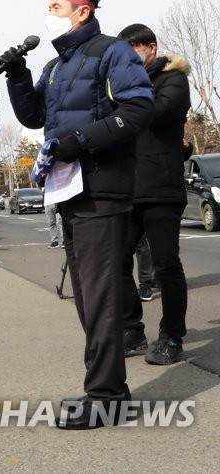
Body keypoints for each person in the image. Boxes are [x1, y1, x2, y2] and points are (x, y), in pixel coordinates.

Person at [0, 0, 153, 429]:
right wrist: (17, 74)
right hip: (68, 191)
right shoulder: (55, 66)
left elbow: (138, 109)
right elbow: (34, 117)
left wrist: (81, 140)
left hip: (102, 188)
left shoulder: (112, 51)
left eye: (56, 6)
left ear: (82, 10)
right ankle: (110, 389)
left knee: (101, 295)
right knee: (87, 296)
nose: (49, 14)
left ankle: (106, 397)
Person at [116, 23, 191, 365]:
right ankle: (133, 331)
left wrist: (127, 94)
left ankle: (172, 335)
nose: (127, 60)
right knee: (116, 262)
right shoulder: (121, 87)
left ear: (150, 47)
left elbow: (159, 113)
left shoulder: (173, 80)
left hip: (161, 187)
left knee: (166, 266)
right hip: (127, 188)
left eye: (132, 52)